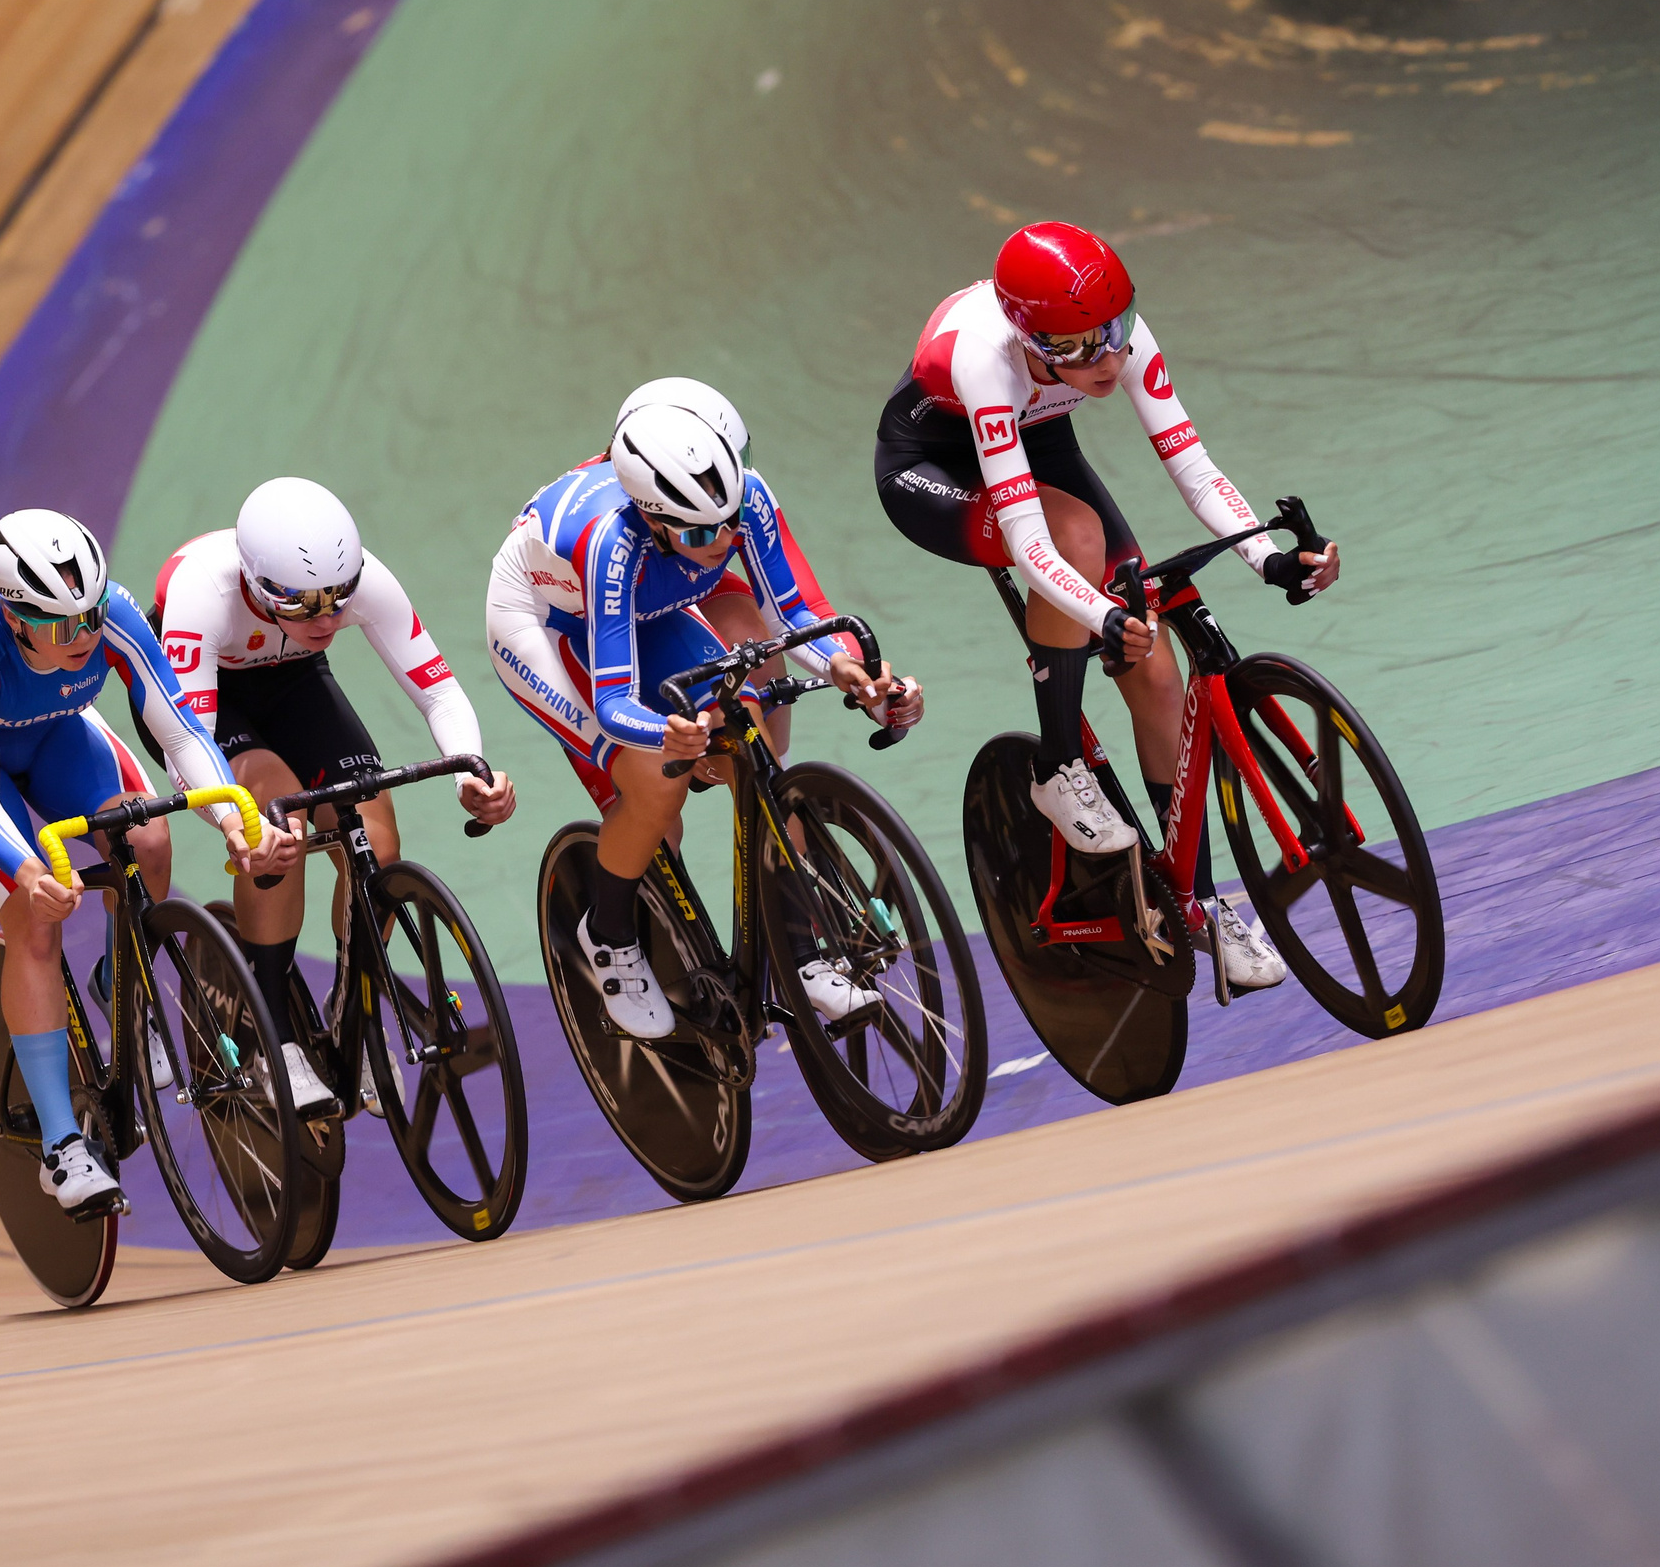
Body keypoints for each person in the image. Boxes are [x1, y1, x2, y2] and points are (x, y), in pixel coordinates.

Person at [874, 220, 1341, 992]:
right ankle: (1057, 766)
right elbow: (1033, 544)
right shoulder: (984, 356)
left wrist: (1270, 558)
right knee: (1078, 539)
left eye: (1115, 334)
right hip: (935, 469)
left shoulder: (1112, 339)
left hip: (1038, 439)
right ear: (1029, 337)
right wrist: (1101, 616)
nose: (1108, 359)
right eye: (1078, 347)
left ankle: (1195, 901)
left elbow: (1194, 467)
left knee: (1155, 669)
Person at [487, 383, 921, 1039]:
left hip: (653, 604)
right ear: (654, 519)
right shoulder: (613, 542)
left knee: (751, 749)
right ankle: (609, 935)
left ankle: (804, 955)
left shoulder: (742, 497)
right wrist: (665, 733)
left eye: (727, 520)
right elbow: (613, 700)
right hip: (547, 624)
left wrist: (848, 667)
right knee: (655, 795)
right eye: (697, 531)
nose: (720, 539)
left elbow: (792, 611)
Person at [0, 508, 289, 1215]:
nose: (81, 637)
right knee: (34, 918)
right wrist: (30, 875)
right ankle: (62, 1147)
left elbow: (181, 728)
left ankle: (120, 983)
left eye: (88, 617)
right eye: (59, 628)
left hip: (55, 729)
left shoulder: (111, 613)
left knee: (148, 841)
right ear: (15, 618)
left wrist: (237, 822)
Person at [148, 477, 515, 1113]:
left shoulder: (359, 581)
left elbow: (438, 691)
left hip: (293, 680)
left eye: (339, 601)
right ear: (257, 584)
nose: (327, 620)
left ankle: (356, 1007)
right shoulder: (201, 592)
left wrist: (470, 775)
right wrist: (238, 824)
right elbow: (188, 746)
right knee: (277, 813)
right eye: (303, 606)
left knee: (374, 831)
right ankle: (274, 1037)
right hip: (202, 704)